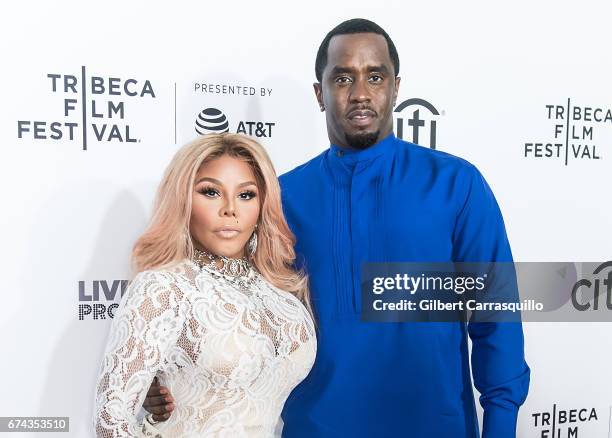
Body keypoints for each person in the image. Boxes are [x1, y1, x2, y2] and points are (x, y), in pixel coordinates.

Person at [143, 18, 530, 437]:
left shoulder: (455, 184)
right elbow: (217, 294)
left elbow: (497, 310)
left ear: (396, 87)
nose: (360, 93)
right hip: (317, 426)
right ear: (320, 93)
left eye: (375, 76)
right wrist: (157, 373)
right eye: (343, 78)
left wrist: (502, 422)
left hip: (434, 424)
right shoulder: (281, 196)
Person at [93, 133, 316, 437]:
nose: (230, 209)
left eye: (246, 194)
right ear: (183, 199)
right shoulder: (162, 287)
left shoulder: (280, 289)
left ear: (263, 205)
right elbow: (110, 425)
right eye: (211, 192)